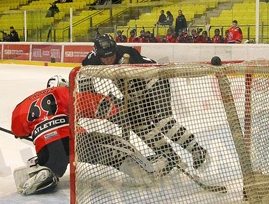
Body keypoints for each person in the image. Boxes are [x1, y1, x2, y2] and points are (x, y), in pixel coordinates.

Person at [11, 74, 163, 195]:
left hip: (46, 148)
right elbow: (91, 104)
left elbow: (17, 130)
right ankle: (148, 172)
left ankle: (44, 171)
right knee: (116, 145)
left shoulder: (24, 104)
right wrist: (118, 108)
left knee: (54, 167)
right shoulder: (61, 92)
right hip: (75, 141)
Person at [81, 34, 208, 172]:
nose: (109, 59)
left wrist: (129, 102)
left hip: (154, 79)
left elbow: (140, 83)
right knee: (139, 125)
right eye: (105, 58)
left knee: (161, 120)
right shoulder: (91, 60)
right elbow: (84, 81)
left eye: (112, 56)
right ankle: (169, 157)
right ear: (98, 55)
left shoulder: (128, 53)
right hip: (134, 93)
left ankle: (197, 149)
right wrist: (93, 97)